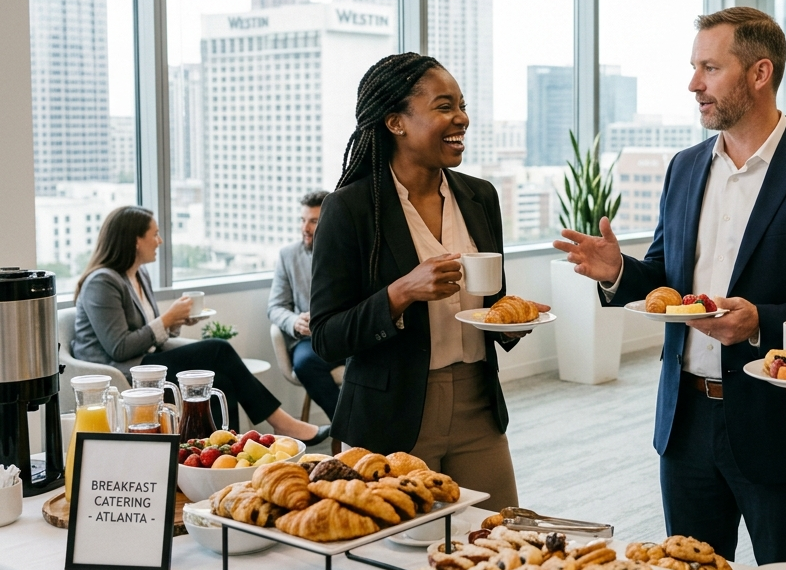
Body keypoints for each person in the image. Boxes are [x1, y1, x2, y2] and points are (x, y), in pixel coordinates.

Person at [555, 7, 786, 564]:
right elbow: (665, 279)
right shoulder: (684, 167)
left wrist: (762, 320)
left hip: (779, 425)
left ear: (760, 74)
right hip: (684, 422)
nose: (693, 84)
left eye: (709, 68)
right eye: (693, 67)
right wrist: (619, 272)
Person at [310, 53, 547, 510]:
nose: (462, 118)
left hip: (478, 405)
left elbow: (491, 300)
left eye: (461, 105)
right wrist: (402, 293)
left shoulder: (480, 196)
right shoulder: (350, 209)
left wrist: (512, 318)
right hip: (389, 416)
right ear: (396, 122)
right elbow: (325, 338)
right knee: (391, 556)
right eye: (444, 107)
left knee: (494, 540)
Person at [72, 206, 330, 443]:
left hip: (146, 362)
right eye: (155, 234)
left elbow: (150, 334)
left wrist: (176, 322)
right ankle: (282, 423)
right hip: (120, 373)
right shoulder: (102, 282)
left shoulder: (138, 274)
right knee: (217, 349)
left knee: (221, 381)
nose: (159, 241)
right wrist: (167, 319)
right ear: (135, 240)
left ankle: (227, 449)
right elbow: (119, 347)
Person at [268, 189, 344, 420]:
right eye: (302, 220)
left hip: (346, 335)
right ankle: (345, 422)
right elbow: (275, 306)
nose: (305, 228)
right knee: (304, 365)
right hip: (309, 340)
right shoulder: (288, 255)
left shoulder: (350, 252)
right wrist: (294, 321)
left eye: (313, 221)